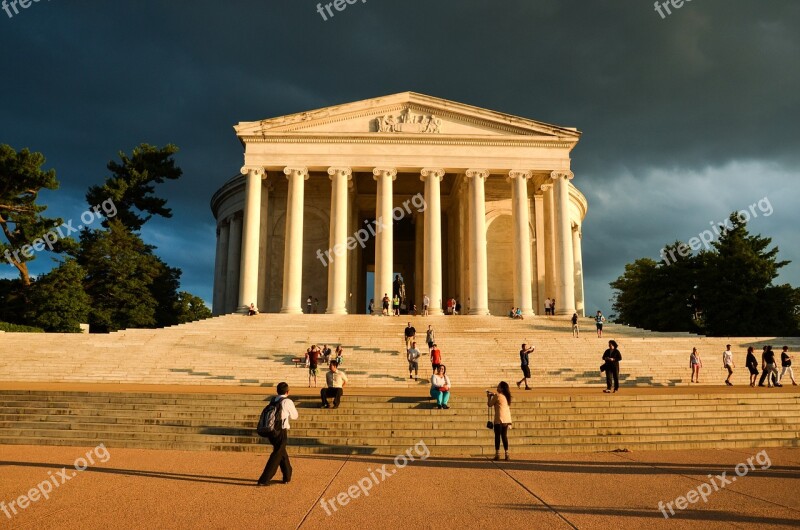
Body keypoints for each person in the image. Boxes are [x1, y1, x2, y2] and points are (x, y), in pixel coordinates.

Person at [257, 382, 298, 486]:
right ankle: (264, 479)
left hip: (270, 429)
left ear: (277, 391)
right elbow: (294, 416)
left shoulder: (273, 400)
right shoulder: (287, 401)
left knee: (281, 452)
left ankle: (287, 476)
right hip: (281, 430)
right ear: (287, 391)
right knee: (277, 454)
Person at [487, 382, 513, 461]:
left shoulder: (497, 396)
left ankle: (497, 454)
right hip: (506, 419)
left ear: (501, 388)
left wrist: (489, 397)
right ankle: (507, 453)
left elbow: (490, 404)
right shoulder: (506, 397)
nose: (497, 387)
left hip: (499, 419)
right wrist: (494, 394)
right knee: (504, 436)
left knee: (497, 436)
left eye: (498, 386)